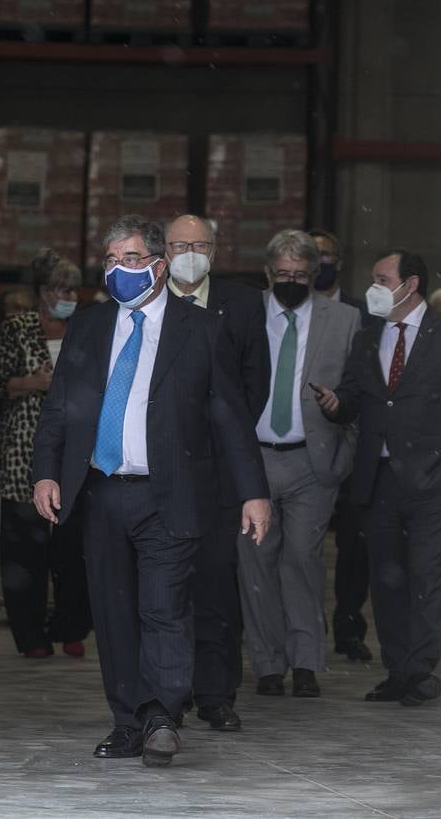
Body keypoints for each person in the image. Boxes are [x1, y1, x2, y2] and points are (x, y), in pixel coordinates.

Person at [32, 216, 271, 769]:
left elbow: (232, 420)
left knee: (164, 607)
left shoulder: (201, 328)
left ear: (160, 266)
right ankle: (127, 722)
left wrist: (252, 492)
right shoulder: (89, 327)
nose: (121, 270)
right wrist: (46, 472)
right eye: (112, 261)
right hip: (99, 492)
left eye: (133, 259)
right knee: (114, 614)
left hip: (171, 491)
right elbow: (59, 409)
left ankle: (162, 714)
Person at [312, 250, 441, 708]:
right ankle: (398, 670)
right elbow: (357, 398)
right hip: (377, 479)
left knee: (428, 578)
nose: (373, 285)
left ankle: (420, 669)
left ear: (409, 284)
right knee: (387, 580)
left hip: (433, 478)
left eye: (381, 278)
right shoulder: (367, 336)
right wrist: (337, 405)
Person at [237, 231, 359, 701]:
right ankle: (268, 663)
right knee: (256, 562)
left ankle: (307, 661)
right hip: (254, 458)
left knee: (301, 561)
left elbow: (358, 391)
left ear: (316, 275)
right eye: (283, 275)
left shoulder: (345, 320)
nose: (292, 282)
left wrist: (339, 409)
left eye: (301, 276)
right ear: (269, 274)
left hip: (313, 458)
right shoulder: (245, 312)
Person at [164, 213, 270, 732]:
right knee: (163, 590)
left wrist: (219, 446)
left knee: (215, 587)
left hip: (219, 473)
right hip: (157, 472)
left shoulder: (245, 304)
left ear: (216, 250)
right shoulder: (145, 299)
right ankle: (168, 691)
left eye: (199, 244)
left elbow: (254, 387)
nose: (189, 252)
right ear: (163, 249)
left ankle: (216, 693)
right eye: (179, 244)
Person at [0, 248, 90, 660]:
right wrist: (34, 382)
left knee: (74, 549)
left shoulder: (87, 327)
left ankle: (72, 627)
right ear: (42, 291)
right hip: (21, 452)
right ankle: (30, 635)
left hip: (77, 452)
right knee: (24, 553)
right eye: (59, 289)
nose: (66, 296)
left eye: (72, 289)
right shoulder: (17, 328)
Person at [309, 228, 374, 664]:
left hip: (350, 442)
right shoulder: (284, 311)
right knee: (300, 546)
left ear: (339, 262)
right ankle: (304, 631)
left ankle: (349, 627)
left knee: (355, 544)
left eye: (325, 255)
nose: (318, 263)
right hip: (301, 444)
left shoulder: (364, 315)